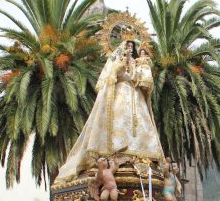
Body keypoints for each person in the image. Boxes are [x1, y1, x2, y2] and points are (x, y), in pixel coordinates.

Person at [55, 41, 165, 184]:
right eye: (128, 46)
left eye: (132, 47)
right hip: (120, 93)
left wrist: (141, 71)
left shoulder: (137, 62)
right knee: (119, 122)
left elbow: (142, 81)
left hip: (134, 95)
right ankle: (118, 151)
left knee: (140, 125)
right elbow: (112, 75)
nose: (130, 49)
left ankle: (139, 156)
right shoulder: (116, 59)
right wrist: (122, 68)